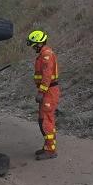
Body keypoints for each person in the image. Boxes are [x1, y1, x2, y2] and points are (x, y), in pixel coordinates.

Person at [27, 30, 60, 160]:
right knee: (42, 120)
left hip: (49, 92)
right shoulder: (43, 54)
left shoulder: (46, 55)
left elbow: (47, 76)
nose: (33, 47)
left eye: (34, 45)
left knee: (46, 121)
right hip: (47, 91)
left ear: (39, 43)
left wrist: (41, 92)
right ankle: (47, 147)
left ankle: (51, 150)